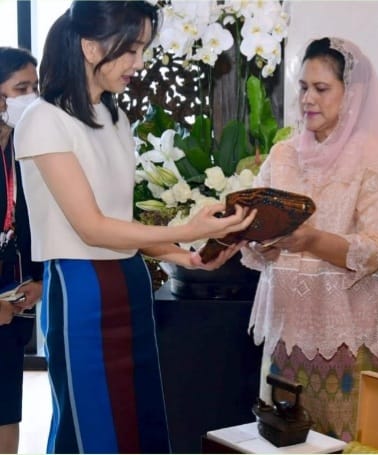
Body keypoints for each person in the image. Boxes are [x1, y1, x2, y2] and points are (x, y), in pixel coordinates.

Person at [13, 2, 256, 454]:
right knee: (91, 426)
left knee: (137, 421)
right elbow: (91, 228)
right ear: (89, 47)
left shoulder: (115, 116)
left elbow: (119, 222)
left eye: (142, 49)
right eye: (130, 50)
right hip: (81, 287)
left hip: (130, 282)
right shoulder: (43, 119)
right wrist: (180, 227)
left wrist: (183, 254)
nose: (139, 63)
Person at [241, 37, 378, 442]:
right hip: (287, 332)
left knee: (342, 437)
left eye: (321, 88)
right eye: (302, 88)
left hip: (345, 333)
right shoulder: (282, 155)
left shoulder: (374, 157)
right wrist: (256, 239)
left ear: (352, 93)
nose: (308, 99)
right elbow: (255, 230)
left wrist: (313, 241)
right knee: (281, 436)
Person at [0, 47, 43, 454]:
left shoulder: (28, 149)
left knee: (6, 407)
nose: (32, 97)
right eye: (21, 88)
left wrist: (40, 278)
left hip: (15, 295)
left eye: (36, 86)